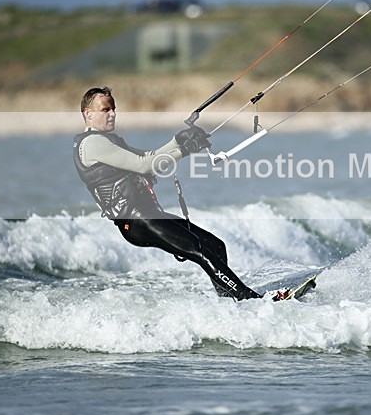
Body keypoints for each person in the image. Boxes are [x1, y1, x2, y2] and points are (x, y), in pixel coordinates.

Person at [73, 86, 262, 300]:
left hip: (149, 215)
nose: (113, 114)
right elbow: (144, 165)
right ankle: (249, 299)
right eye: (105, 110)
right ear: (88, 113)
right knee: (201, 252)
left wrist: (177, 141)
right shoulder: (92, 143)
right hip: (138, 220)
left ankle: (229, 300)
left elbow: (149, 156)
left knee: (216, 246)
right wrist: (185, 150)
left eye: (114, 108)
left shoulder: (109, 140)